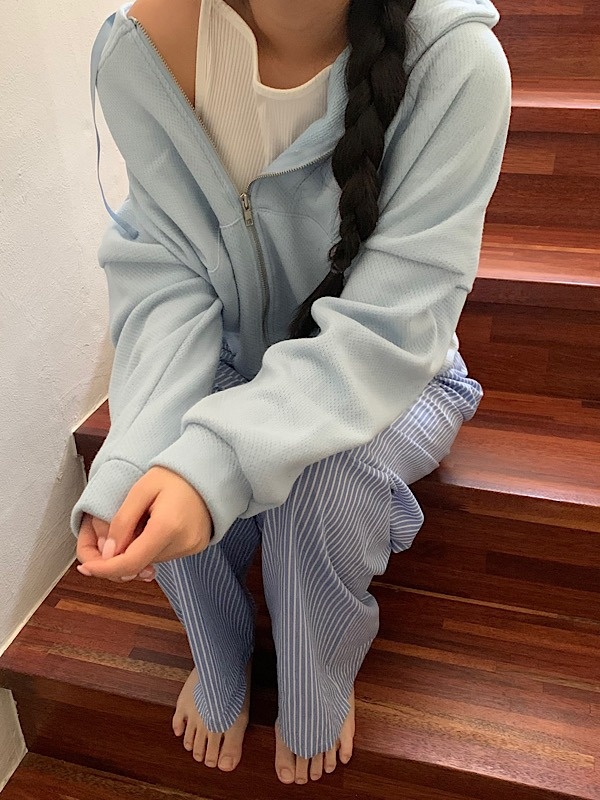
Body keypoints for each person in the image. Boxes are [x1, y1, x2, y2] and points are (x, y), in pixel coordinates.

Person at [72, 0, 511, 786]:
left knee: (319, 489)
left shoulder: (456, 63)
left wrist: (219, 464)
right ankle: (219, 659)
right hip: (239, 352)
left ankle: (316, 687)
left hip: (397, 371)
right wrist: (141, 456)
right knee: (157, 464)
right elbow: (166, 271)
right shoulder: (142, 52)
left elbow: (389, 330)